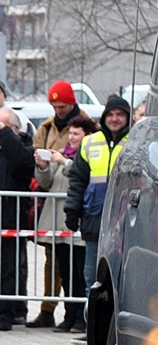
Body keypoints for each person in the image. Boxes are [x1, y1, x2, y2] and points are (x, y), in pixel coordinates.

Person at [64, 96, 134, 313]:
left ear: (127, 118)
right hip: (94, 219)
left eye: (120, 114)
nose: (115, 119)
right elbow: (77, 180)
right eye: (111, 114)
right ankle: (93, 329)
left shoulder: (135, 142)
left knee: (124, 278)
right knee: (93, 277)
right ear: (104, 117)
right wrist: (72, 210)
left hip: (126, 220)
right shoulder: (90, 142)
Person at [29, 80, 87, 327]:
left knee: (77, 263)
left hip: (74, 206)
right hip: (53, 205)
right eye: (55, 106)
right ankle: (49, 309)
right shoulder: (47, 128)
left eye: (62, 105)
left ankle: (77, 314)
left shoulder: (86, 127)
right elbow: (44, 176)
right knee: (55, 260)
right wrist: (42, 164)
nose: (59, 110)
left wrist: (63, 160)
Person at [35, 115, 93, 332]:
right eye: (70, 133)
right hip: (57, 223)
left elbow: (81, 175)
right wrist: (42, 167)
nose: (71, 137)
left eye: (76, 133)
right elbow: (47, 183)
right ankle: (69, 316)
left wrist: (64, 162)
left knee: (79, 273)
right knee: (66, 273)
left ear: (86, 136)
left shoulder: (85, 155)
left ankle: (81, 317)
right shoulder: (65, 154)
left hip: (75, 224)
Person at [0, 107, 35, 330]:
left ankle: (6, 314)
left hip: (10, 218)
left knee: (8, 269)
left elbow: (23, 165)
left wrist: (5, 135)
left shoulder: (24, 148)